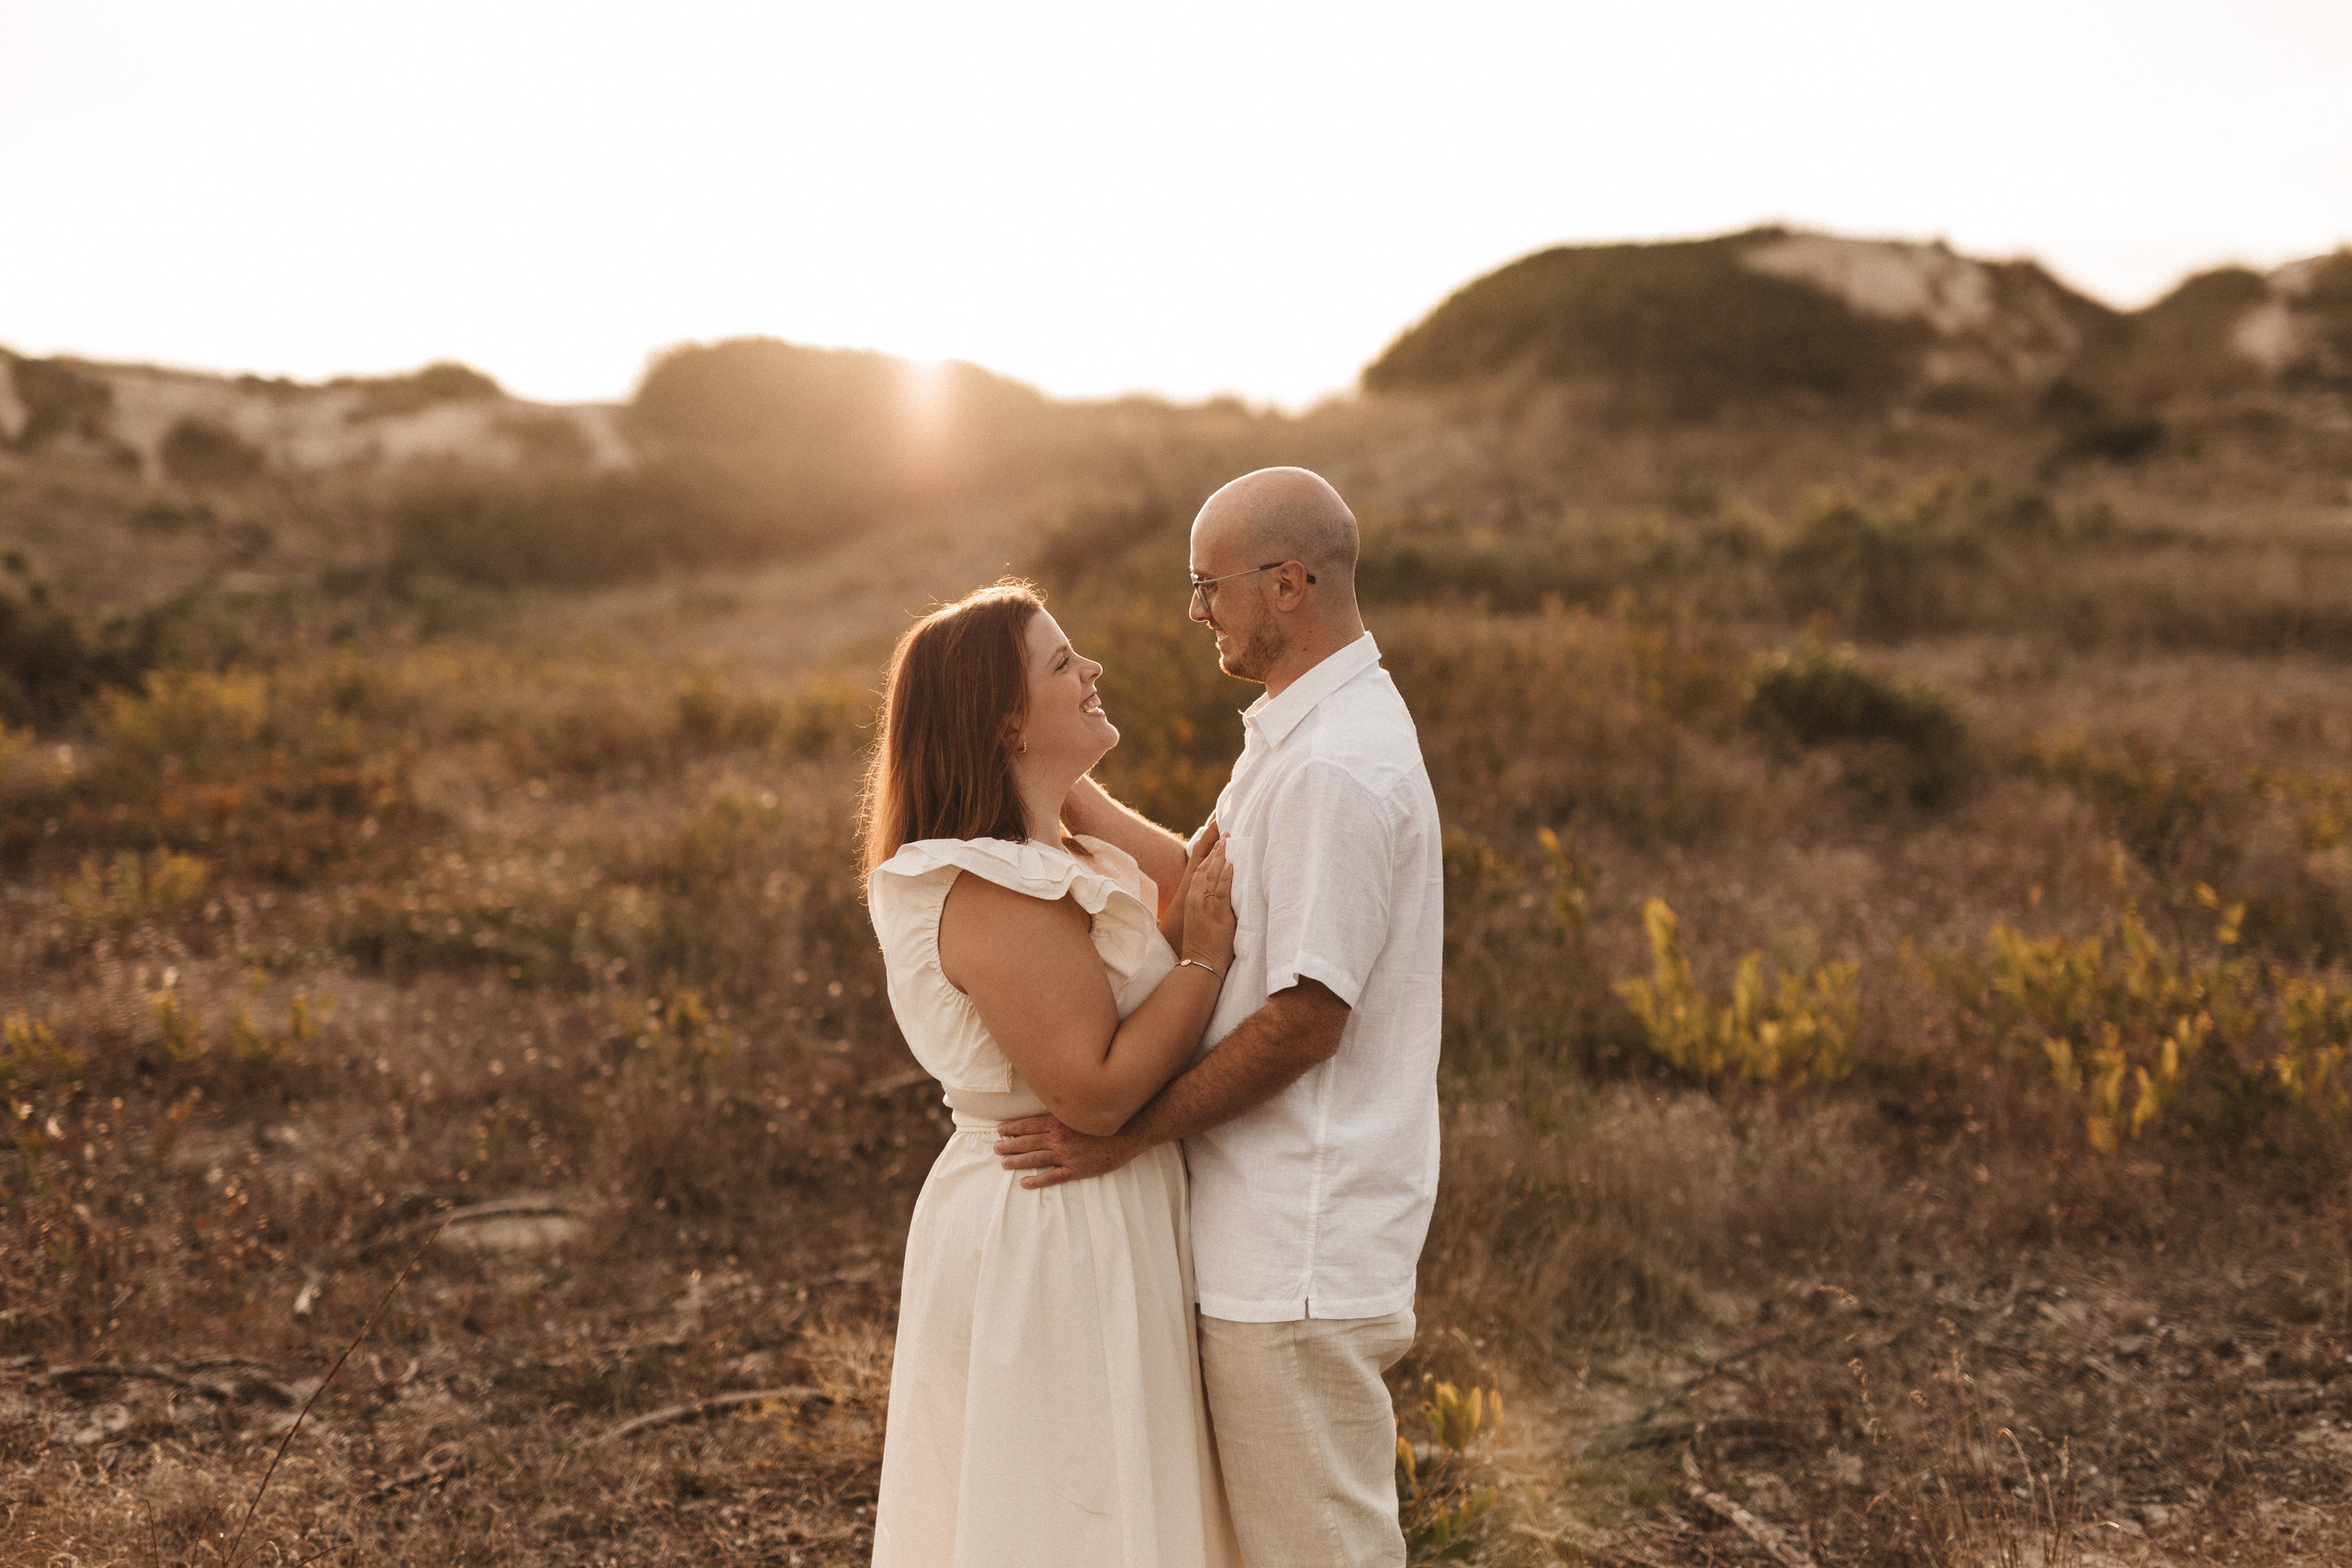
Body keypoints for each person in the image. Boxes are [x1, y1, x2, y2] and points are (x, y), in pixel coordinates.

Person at [997, 468, 1445, 1567]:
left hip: (1296, 1241)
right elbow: (1199, 884)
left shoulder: (1334, 766)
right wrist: (1057, 788)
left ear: (1286, 583)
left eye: (1209, 587)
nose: (1193, 612)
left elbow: (1304, 1019)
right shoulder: (1300, 732)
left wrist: (1128, 1131)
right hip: (1268, 1229)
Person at [861, 581, 1243, 1567]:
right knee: (1071, 1514)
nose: (1093, 672)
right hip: (1052, 1221)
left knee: (1108, 1502)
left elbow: (1200, 882)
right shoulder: (994, 890)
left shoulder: (1048, 854)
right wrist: (1200, 964)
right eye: (1063, 664)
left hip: (1090, 1208)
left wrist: (1069, 788)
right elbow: (1097, 1089)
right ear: (1002, 721)